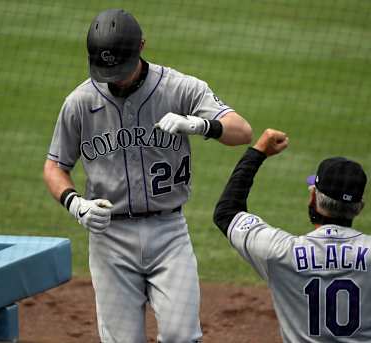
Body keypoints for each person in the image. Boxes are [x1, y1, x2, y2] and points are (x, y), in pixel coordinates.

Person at [43, 8, 252, 343]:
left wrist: (200, 125)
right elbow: (54, 166)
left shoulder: (181, 88)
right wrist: (75, 205)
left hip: (169, 234)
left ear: (142, 46)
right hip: (109, 238)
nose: (114, 78)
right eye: (106, 70)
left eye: (120, 69)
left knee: (182, 336)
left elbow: (242, 131)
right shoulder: (79, 102)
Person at [213, 128, 371, 342]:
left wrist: (258, 151)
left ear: (313, 198)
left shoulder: (279, 252)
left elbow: (227, 212)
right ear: (360, 207)